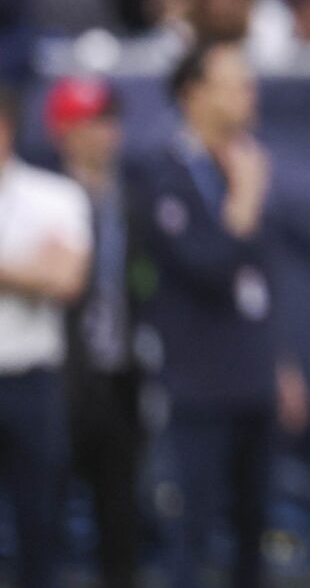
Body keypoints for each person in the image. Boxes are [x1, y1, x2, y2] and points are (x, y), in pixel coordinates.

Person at [131, 40, 291, 588]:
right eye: (236, 83)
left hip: (255, 379)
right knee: (191, 535)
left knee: (256, 534)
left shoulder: (245, 162)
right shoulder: (162, 171)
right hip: (197, 383)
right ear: (194, 94)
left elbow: (261, 281)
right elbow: (206, 267)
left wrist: (280, 364)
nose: (251, 94)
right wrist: (244, 200)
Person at [49, 77, 144, 588]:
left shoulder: (132, 199)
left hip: (121, 374)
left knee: (121, 512)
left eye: (110, 121)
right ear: (64, 131)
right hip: (58, 375)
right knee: (43, 510)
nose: (106, 133)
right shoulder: (39, 197)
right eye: (91, 122)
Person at [0, 90, 92, 588]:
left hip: (32, 382)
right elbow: (46, 275)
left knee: (40, 522)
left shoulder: (54, 195)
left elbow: (66, 281)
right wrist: (28, 267)